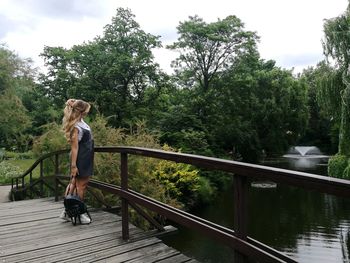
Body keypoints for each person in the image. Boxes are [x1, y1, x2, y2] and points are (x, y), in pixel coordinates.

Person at [59, 99, 94, 224]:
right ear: (81, 112)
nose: (87, 113)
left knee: (73, 184)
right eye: (86, 111)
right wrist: (74, 166)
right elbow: (74, 148)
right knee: (81, 186)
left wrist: (71, 102)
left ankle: (66, 212)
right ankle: (80, 214)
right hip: (81, 159)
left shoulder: (80, 122)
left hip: (85, 158)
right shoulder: (76, 127)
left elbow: (75, 106)